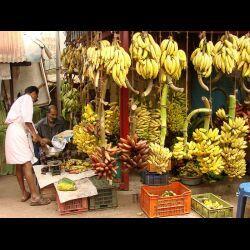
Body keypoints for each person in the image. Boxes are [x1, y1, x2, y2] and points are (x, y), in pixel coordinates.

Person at [5, 86, 51, 206]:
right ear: (32, 93)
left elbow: (28, 125)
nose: (36, 99)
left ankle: (24, 193)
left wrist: (37, 137)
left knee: (19, 165)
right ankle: (35, 196)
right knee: (27, 164)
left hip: (12, 132)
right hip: (18, 132)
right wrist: (38, 138)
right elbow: (27, 121)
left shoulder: (19, 101)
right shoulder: (27, 98)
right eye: (37, 95)